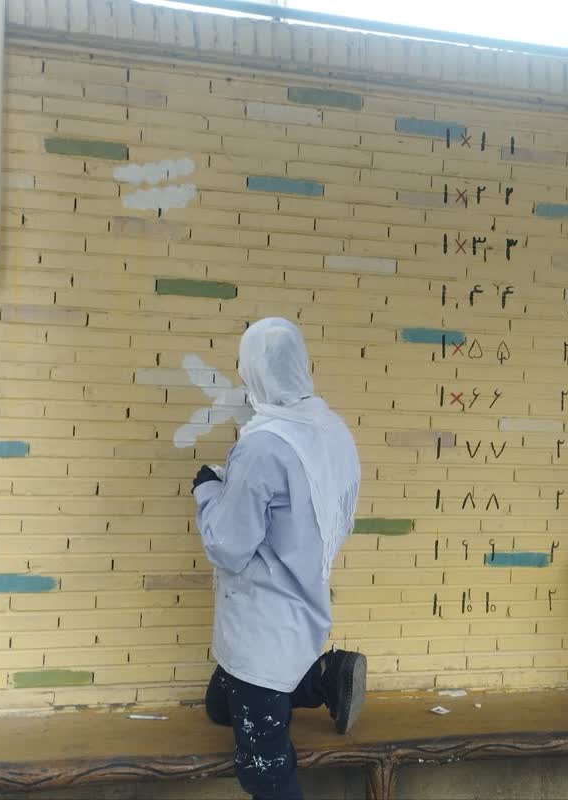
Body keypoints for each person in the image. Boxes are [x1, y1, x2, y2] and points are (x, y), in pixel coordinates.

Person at [192, 317, 365, 800]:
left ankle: (309, 685)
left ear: (253, 372)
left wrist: (207, 491)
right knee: (219, 706)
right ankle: (326, 675)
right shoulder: (330, 429)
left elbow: (228, 545)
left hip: (261, 630)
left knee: (267, 775)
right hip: (302, 605)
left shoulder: (262, 446)